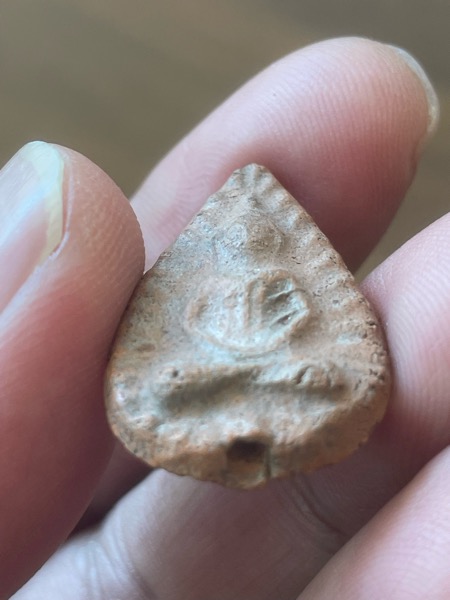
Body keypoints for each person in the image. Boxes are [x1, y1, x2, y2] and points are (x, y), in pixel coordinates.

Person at [2, 37, 446, 599]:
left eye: (256, 242)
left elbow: (317, 344)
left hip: (279, 369)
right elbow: (176, 348)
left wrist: (279, 347)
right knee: (166, 385)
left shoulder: (286, 284)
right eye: (238, 242)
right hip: (216, 374)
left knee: (326, 378)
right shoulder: (199, 292)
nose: (246, 248)